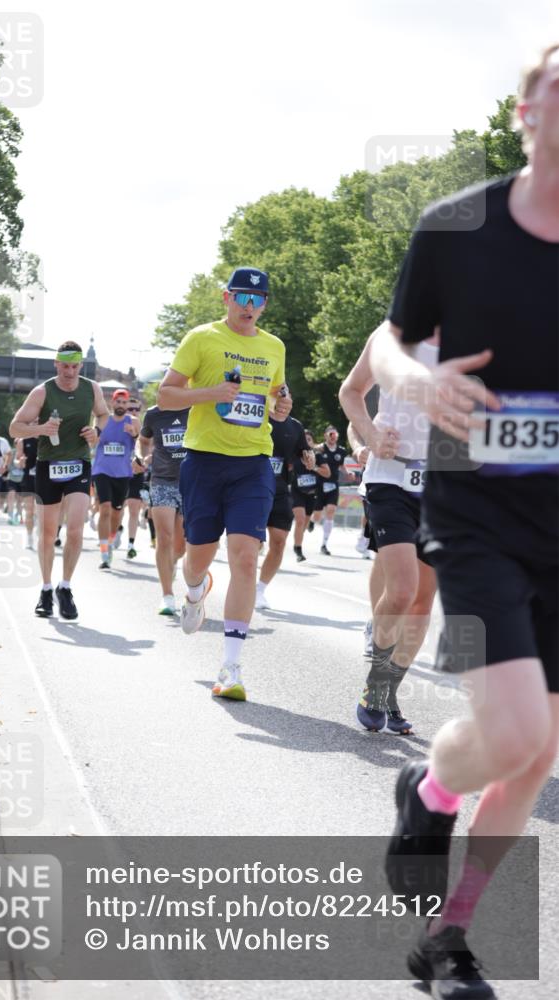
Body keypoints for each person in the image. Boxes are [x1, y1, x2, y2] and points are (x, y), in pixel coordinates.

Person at [371, 45, 559, 1000]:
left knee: (536, 749)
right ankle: (433, 787)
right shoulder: (459, 227)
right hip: (476, 510)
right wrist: (411, 381)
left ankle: (447, 936)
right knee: (515, 729)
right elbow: (390, 338)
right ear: (525, 111)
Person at [157, 266, 290, 700]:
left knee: (246, 558)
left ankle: (231, 668)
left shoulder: (274, 346)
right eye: (242, 298)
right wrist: (210, 393)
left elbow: (276, 397)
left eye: (258, 299)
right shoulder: (202, 338)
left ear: (264, 304)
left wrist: (282, 407)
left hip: (253, 463)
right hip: (205, 461)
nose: (249, 306)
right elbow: (165, 396)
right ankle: (195, 591)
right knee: (197, 556)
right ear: (226, 298)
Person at [340, 328, 438, 735]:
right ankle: (377, 682)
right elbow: (351, 391)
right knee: (401, 591)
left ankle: (387, 691)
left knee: (421, 603)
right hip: (390, 479)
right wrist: (370, 434)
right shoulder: (392, 333)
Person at [9, 341, 109, 619]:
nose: (69, 372)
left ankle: (65, 587)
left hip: (79, 464)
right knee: (48, 533)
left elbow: (103, 414)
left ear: (81, 366)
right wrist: (41, 428)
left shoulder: (92, 388)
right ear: (56, 364)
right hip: (48, 466)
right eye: (65, 366)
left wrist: (97, 432)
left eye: (75, 366)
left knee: (75, 529)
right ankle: (45, 589)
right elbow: (15, 427)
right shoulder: (42, 392)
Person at [256, 403, 314, 609]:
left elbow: (305, 450)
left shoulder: (295, 426)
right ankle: (243, 582)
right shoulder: (258, 417)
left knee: (279, 542)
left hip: (280, 490)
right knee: (251, 544)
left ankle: (259, 590)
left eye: (287, 398)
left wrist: (309, 457)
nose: (283, 403)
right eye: (278, 398)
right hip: (252, 489)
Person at [139, 402, 190, 614]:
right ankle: (167, 595)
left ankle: (174, 561)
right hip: (161, 480)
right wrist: (143, 457)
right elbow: (143, 440)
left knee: (181, 546)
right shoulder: (154, 414)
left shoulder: (196, 407)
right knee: (164, 537)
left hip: (190, 481)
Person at [91, 389, 140, 568]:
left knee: (117, 512)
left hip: (122, 472)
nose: (121, 405)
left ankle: (111, 539)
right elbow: (92, 441)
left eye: (124, 402)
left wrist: (134, 434)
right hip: (102, 469)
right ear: (112, 403)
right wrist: (94, 437)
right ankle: (104, 551)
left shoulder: (133, 421)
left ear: (127, 405)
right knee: (104, 508)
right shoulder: (103, 420)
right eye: (117, 402)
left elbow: (141, 443)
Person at [311, 426, 352, 554]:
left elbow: (341, 466)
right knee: (317, 516)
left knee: (331, 510)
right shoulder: (319, 449)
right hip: (319, 485)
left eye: (335, 434)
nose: (333, 437)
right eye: (330, 434)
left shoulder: (341, 451)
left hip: (333, 485)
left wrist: (348, 473)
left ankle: (324, 544)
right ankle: (311, 521)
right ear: (325, 435)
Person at [290, 430, 329, 561]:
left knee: (304, 524)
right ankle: (298, 549)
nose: (306, 442)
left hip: (311, 494)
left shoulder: (318, 456)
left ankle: (298, 540)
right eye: (304, 440)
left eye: (309, 440)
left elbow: (327, 473)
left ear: (313, 443)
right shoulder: (294, 456)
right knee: (300, 520)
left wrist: (314, 467)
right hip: (297, 492)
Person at [15, 435, 38, 549]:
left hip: (45, 479)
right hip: (28, 479)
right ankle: (29, 537)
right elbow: (16, 460)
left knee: (41, 511)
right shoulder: (23, 441)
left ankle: (41, 532)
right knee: (29, 511)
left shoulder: (47, 437)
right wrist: (20, 462)